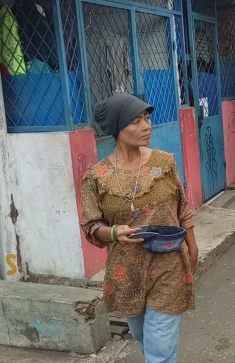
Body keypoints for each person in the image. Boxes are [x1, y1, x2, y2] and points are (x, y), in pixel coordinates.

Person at [80, 94, 198, 363]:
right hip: (126, 273)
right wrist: (113, 233)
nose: (147, 126)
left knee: (158, 348)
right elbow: (91, 225)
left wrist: (193, 247)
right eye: (136, 121)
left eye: (147, 118)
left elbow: (182, 208)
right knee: (146, 338)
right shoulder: (96, 177)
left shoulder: (164, 163)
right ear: (117, 129)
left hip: (168, 266)